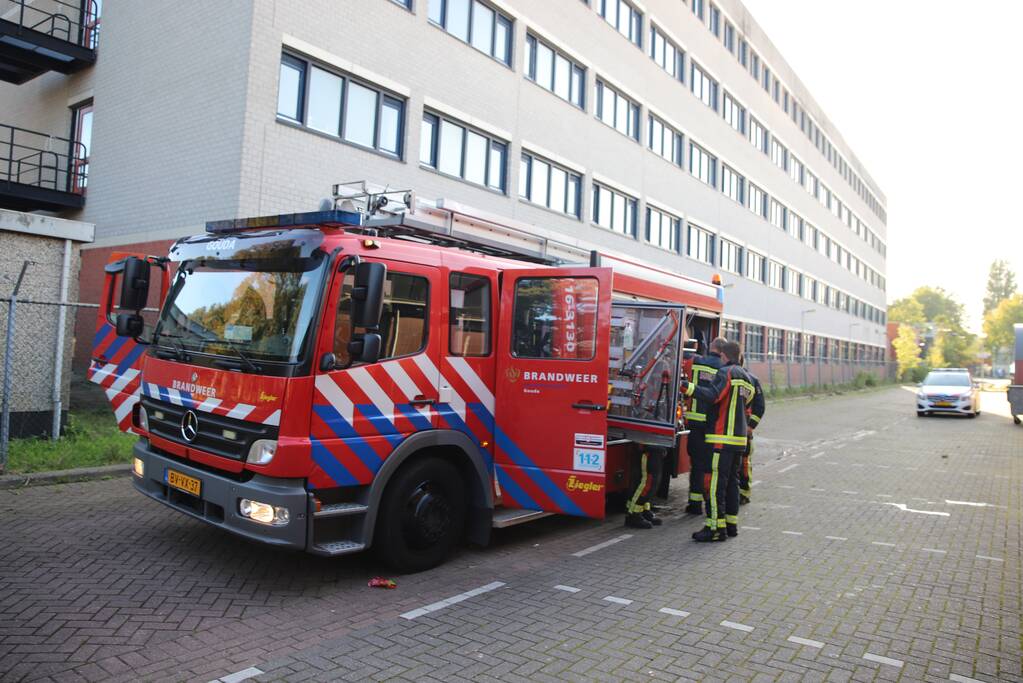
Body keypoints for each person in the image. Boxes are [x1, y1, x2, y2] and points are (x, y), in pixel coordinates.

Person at [680, 340, 755, 542]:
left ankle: (714, 527)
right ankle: (730, 525)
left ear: (723, 355)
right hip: (739, 441)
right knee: (732, 483)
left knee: (714, 483)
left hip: (721, 439)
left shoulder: (726, 373)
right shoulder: (748, 379)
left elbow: (713, 396)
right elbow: (748, 405)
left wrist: (688, 388)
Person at [682, 337, 725, 515]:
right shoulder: (725, 370)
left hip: (694, 423)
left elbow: (684, 368)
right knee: (710, 466)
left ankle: (694, 504)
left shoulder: (696, 361)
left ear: (711, 347)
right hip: (714, 426)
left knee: (697, 465)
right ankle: (709, 501)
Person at [738, 358, 766, 505]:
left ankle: (744, 492)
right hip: (731, 429)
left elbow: (760, 407)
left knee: (744, 463)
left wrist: (750, 426)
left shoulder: (752, 380)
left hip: (745, 430)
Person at [625, 447, 666, 529]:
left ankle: (643, 511)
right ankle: (634, 515)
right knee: (648, 483)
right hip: (649, 446)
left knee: (646, 482)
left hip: (653, 445)